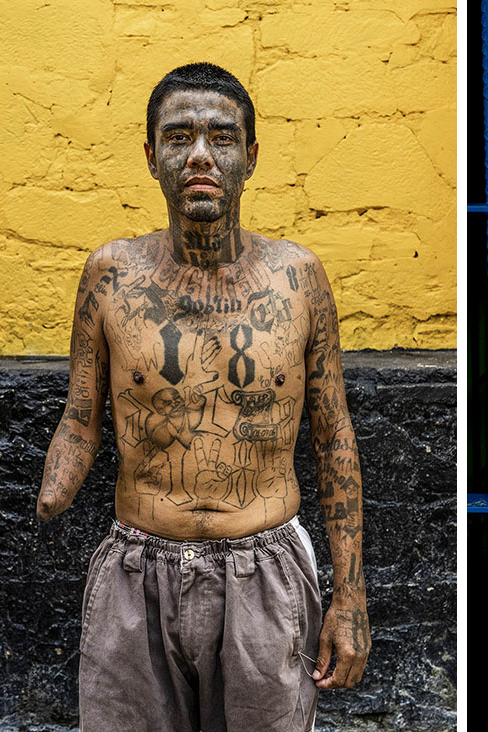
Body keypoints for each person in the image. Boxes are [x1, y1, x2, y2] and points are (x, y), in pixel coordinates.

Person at [36, 62, 370, 732]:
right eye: (178, 136)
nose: (199, 155)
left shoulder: (298, 278)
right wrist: (56, 482)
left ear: (249, 157)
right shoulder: (110, 274)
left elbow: (333, 437)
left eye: (220, 137)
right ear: (151, 155)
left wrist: (350, 595)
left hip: (265, 576)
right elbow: (81, 416)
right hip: (137, 573)